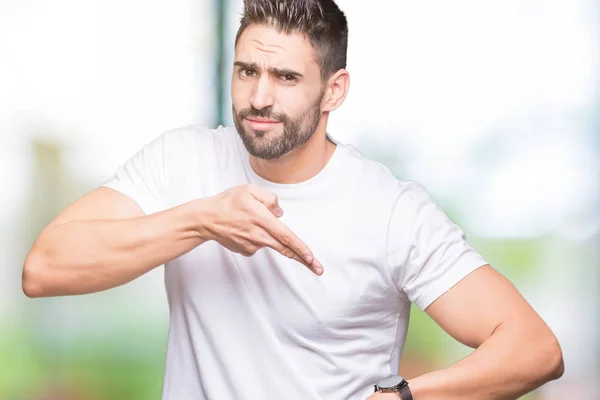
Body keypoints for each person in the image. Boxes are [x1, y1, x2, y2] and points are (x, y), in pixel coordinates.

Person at [22, 0, 564, 398]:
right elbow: (45, 268)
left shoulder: (391, 209)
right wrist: (201, 220)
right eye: (247, 72)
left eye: (285, 77)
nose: (259, 97)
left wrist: (402, 398)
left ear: (334, 90)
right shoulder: (181, 161)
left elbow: (533, 348)